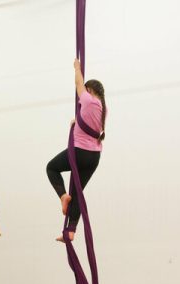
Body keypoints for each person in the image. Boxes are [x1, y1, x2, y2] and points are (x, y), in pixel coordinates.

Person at [46, 58, 107, 242]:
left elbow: (78, 83)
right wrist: (77, 122)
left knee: (51, 168)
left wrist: (77, 68)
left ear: (90, 90)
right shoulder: (103, 108)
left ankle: (63, 196)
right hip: (94, 157)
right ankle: (71, 230)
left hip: (80, 152)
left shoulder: (88, 100)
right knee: (78, 191)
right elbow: (90, 124)